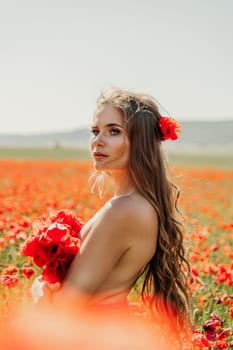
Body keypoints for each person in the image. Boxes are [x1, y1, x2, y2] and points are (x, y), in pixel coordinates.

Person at [33, 88, 190, 332]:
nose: (98, 140)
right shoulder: (136, 203)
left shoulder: (124, 209)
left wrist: (39, 290)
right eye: (95, 131)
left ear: (142, 141)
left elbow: (67, 306)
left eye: (113, 131)